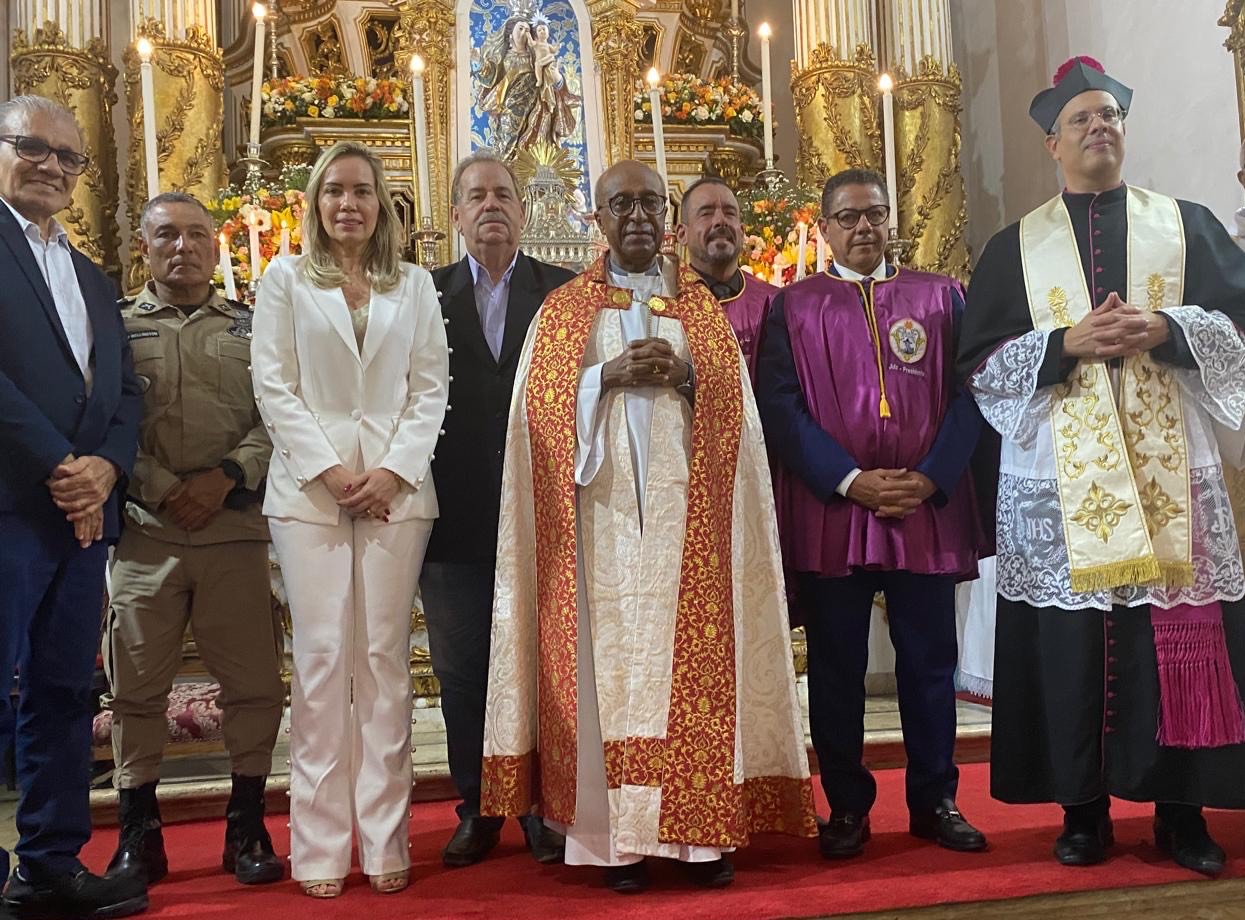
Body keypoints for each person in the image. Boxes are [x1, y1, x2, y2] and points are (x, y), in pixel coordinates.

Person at [480, 160, 817, 894]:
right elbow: (531, 419)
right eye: (620, 203)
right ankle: (611, 843)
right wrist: (604, 377)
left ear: (668, 218)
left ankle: (698, 839)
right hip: (595, 527)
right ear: (596, 218)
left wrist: (691, 378)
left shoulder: (699, 310)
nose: (636, 215)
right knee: (603, 679)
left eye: (649, 203)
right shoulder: (564, 311)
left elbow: (744, 422)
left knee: (691, 668)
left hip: (687, 530)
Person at [957, 57, 1245, 876]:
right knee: (1072, 643)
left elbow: (1239, 323)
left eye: (1109, 116)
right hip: (1060, 482)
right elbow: (976, 362)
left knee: (1172, 639)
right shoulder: (1016, 246)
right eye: (1081, 119)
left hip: (1169, 479)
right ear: (1052, 142)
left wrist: (1170, 326)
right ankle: (1081, 813)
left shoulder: (1184, 225)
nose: (1098, 128)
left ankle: (1180, 814)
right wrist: (1061, 344)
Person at [755, 168, 988, 862]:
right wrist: (849, 480)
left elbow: (971, 393)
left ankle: (934, 800)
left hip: (923, 507)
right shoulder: (793, 307)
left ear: (891, 222)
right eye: (848, 217)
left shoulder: (941, 295)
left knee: (927, 661)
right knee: (834, 668)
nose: (864, 227)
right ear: (824, 228)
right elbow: (780, 407)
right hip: (835, 512)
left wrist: (929, 477)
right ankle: (847, 808)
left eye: (875, 215)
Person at [250, 141, 448, 898]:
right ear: (315, 201)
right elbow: (274, 387)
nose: (348, 204)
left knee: (384, 662)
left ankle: (386, 838)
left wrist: (394, 470)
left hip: (398, 493)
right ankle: (322, 849)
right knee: (325, 662)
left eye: (361, 190)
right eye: (334, 190)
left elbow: (429, 389)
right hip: (310, 495)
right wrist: (331, 472)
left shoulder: (416, 286)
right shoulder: (284, 279)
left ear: (382, 203)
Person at [101, 191, 284, 888]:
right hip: (148, 537)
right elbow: (105, 416)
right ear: (143, 249)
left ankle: (246, 826)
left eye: (196, 234)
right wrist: (155, 484)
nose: (182, 247)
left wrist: (228, 475)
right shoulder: (114, 327)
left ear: (217, 245)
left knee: (253, 687)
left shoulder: (254, 327)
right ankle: (138, 832)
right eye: (166, 235)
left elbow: (279, 414)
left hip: (233, 531)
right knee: (135, 691)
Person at [0, 95, 147, 919]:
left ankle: (48, 863)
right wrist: (63, 464)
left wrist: (104, 468)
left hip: (80, 517)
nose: (52, 166)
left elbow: (123, 391)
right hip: (9, 506)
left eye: (69, 157)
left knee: (63, 691)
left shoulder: (90, 274)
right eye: (34, 147)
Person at [423, 151, 573, 868]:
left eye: (503, 195)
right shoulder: (421, 295)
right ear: (454, 214)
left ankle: (545, 807)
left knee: (545, 670)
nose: (491, 206)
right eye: (476, 196)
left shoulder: (565, 294)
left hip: (545, 516)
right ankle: (478, 807)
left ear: (524, 210)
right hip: (450, 521)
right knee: (461, 673)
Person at [675, 175, 775, 381]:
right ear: (682, 233)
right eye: (706, 213)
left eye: (730, 213)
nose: (720, 221)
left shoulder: (773, 302)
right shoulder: (666, 302)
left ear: (742, 231)